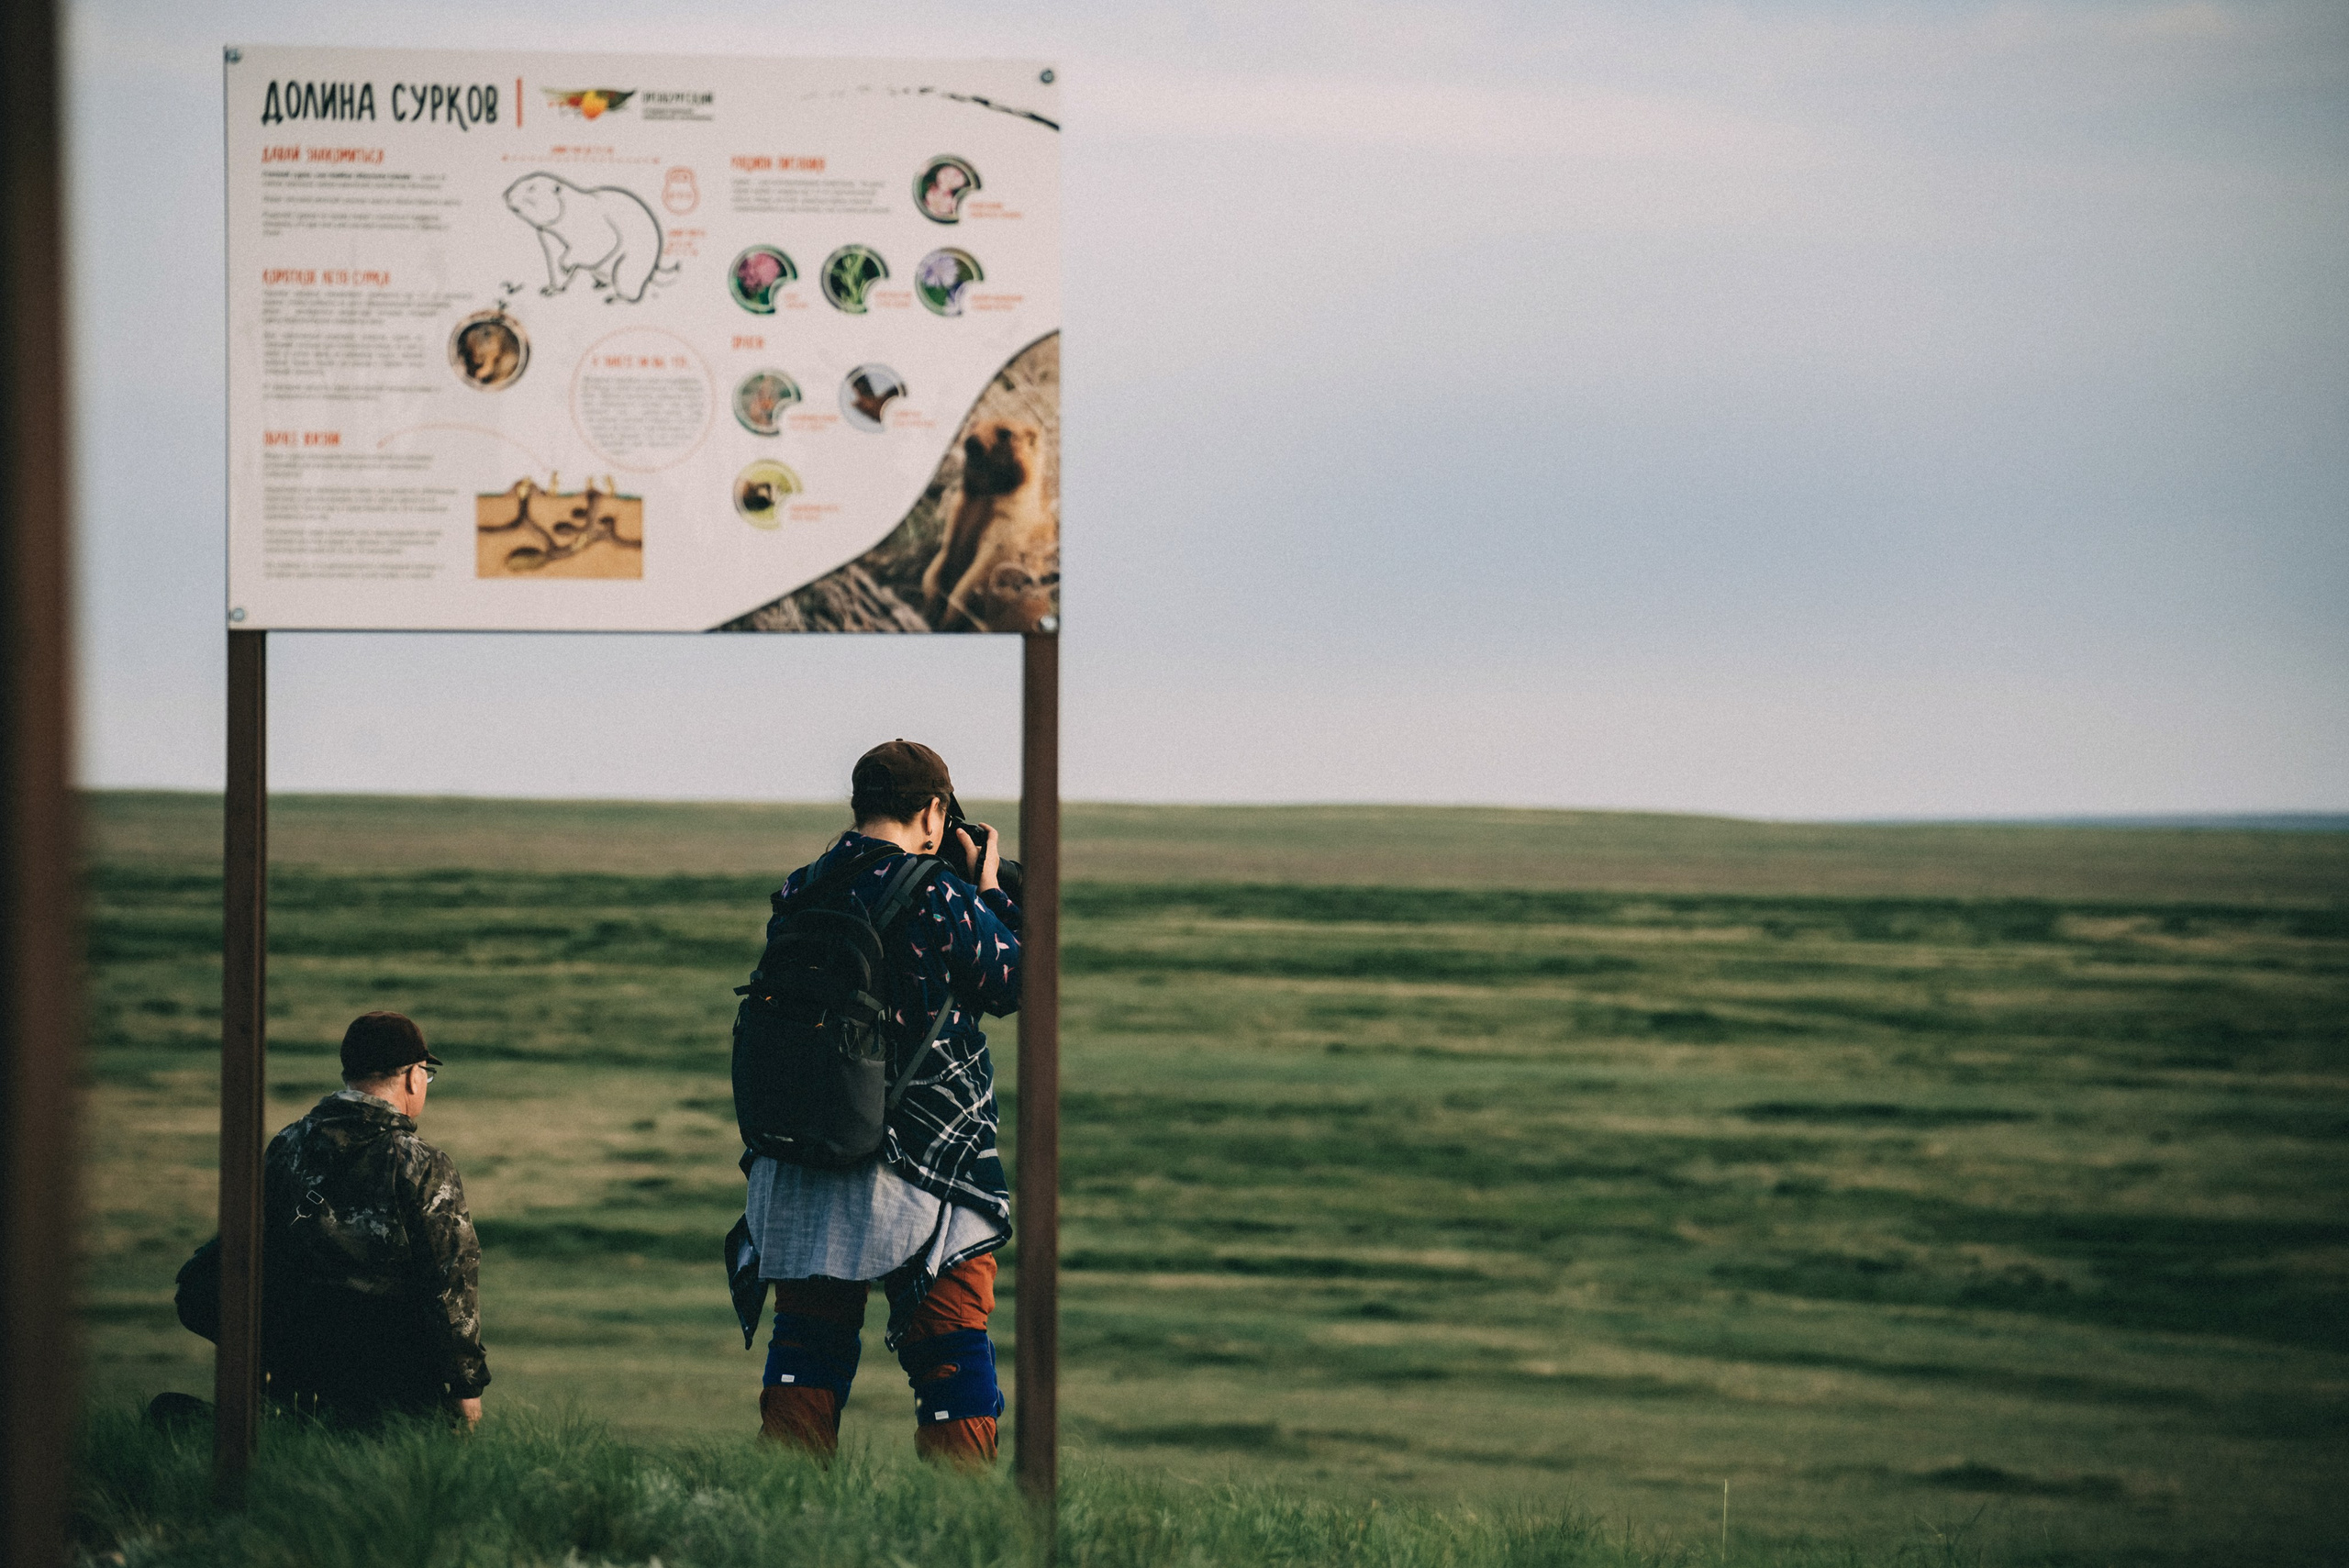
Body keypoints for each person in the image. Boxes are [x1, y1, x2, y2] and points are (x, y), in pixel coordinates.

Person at [743, 740, 1019, 1465]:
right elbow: (1014, 980)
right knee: (951, 1349)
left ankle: (784, 1502)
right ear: (933, 812)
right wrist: (992, 891)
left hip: (805, 1147)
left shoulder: (802, 887)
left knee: (807, 1348)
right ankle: (957, 1516)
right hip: (921, 1159)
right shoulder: (938, 894)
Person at [260, 1011, 490, 1425]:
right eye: (426, 1073)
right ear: (411, 1077)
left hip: (293, 1372)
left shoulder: (286, 1145)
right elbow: (449, 1283)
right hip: (392, 1386)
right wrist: (466, 1387)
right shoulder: (420, 1163)